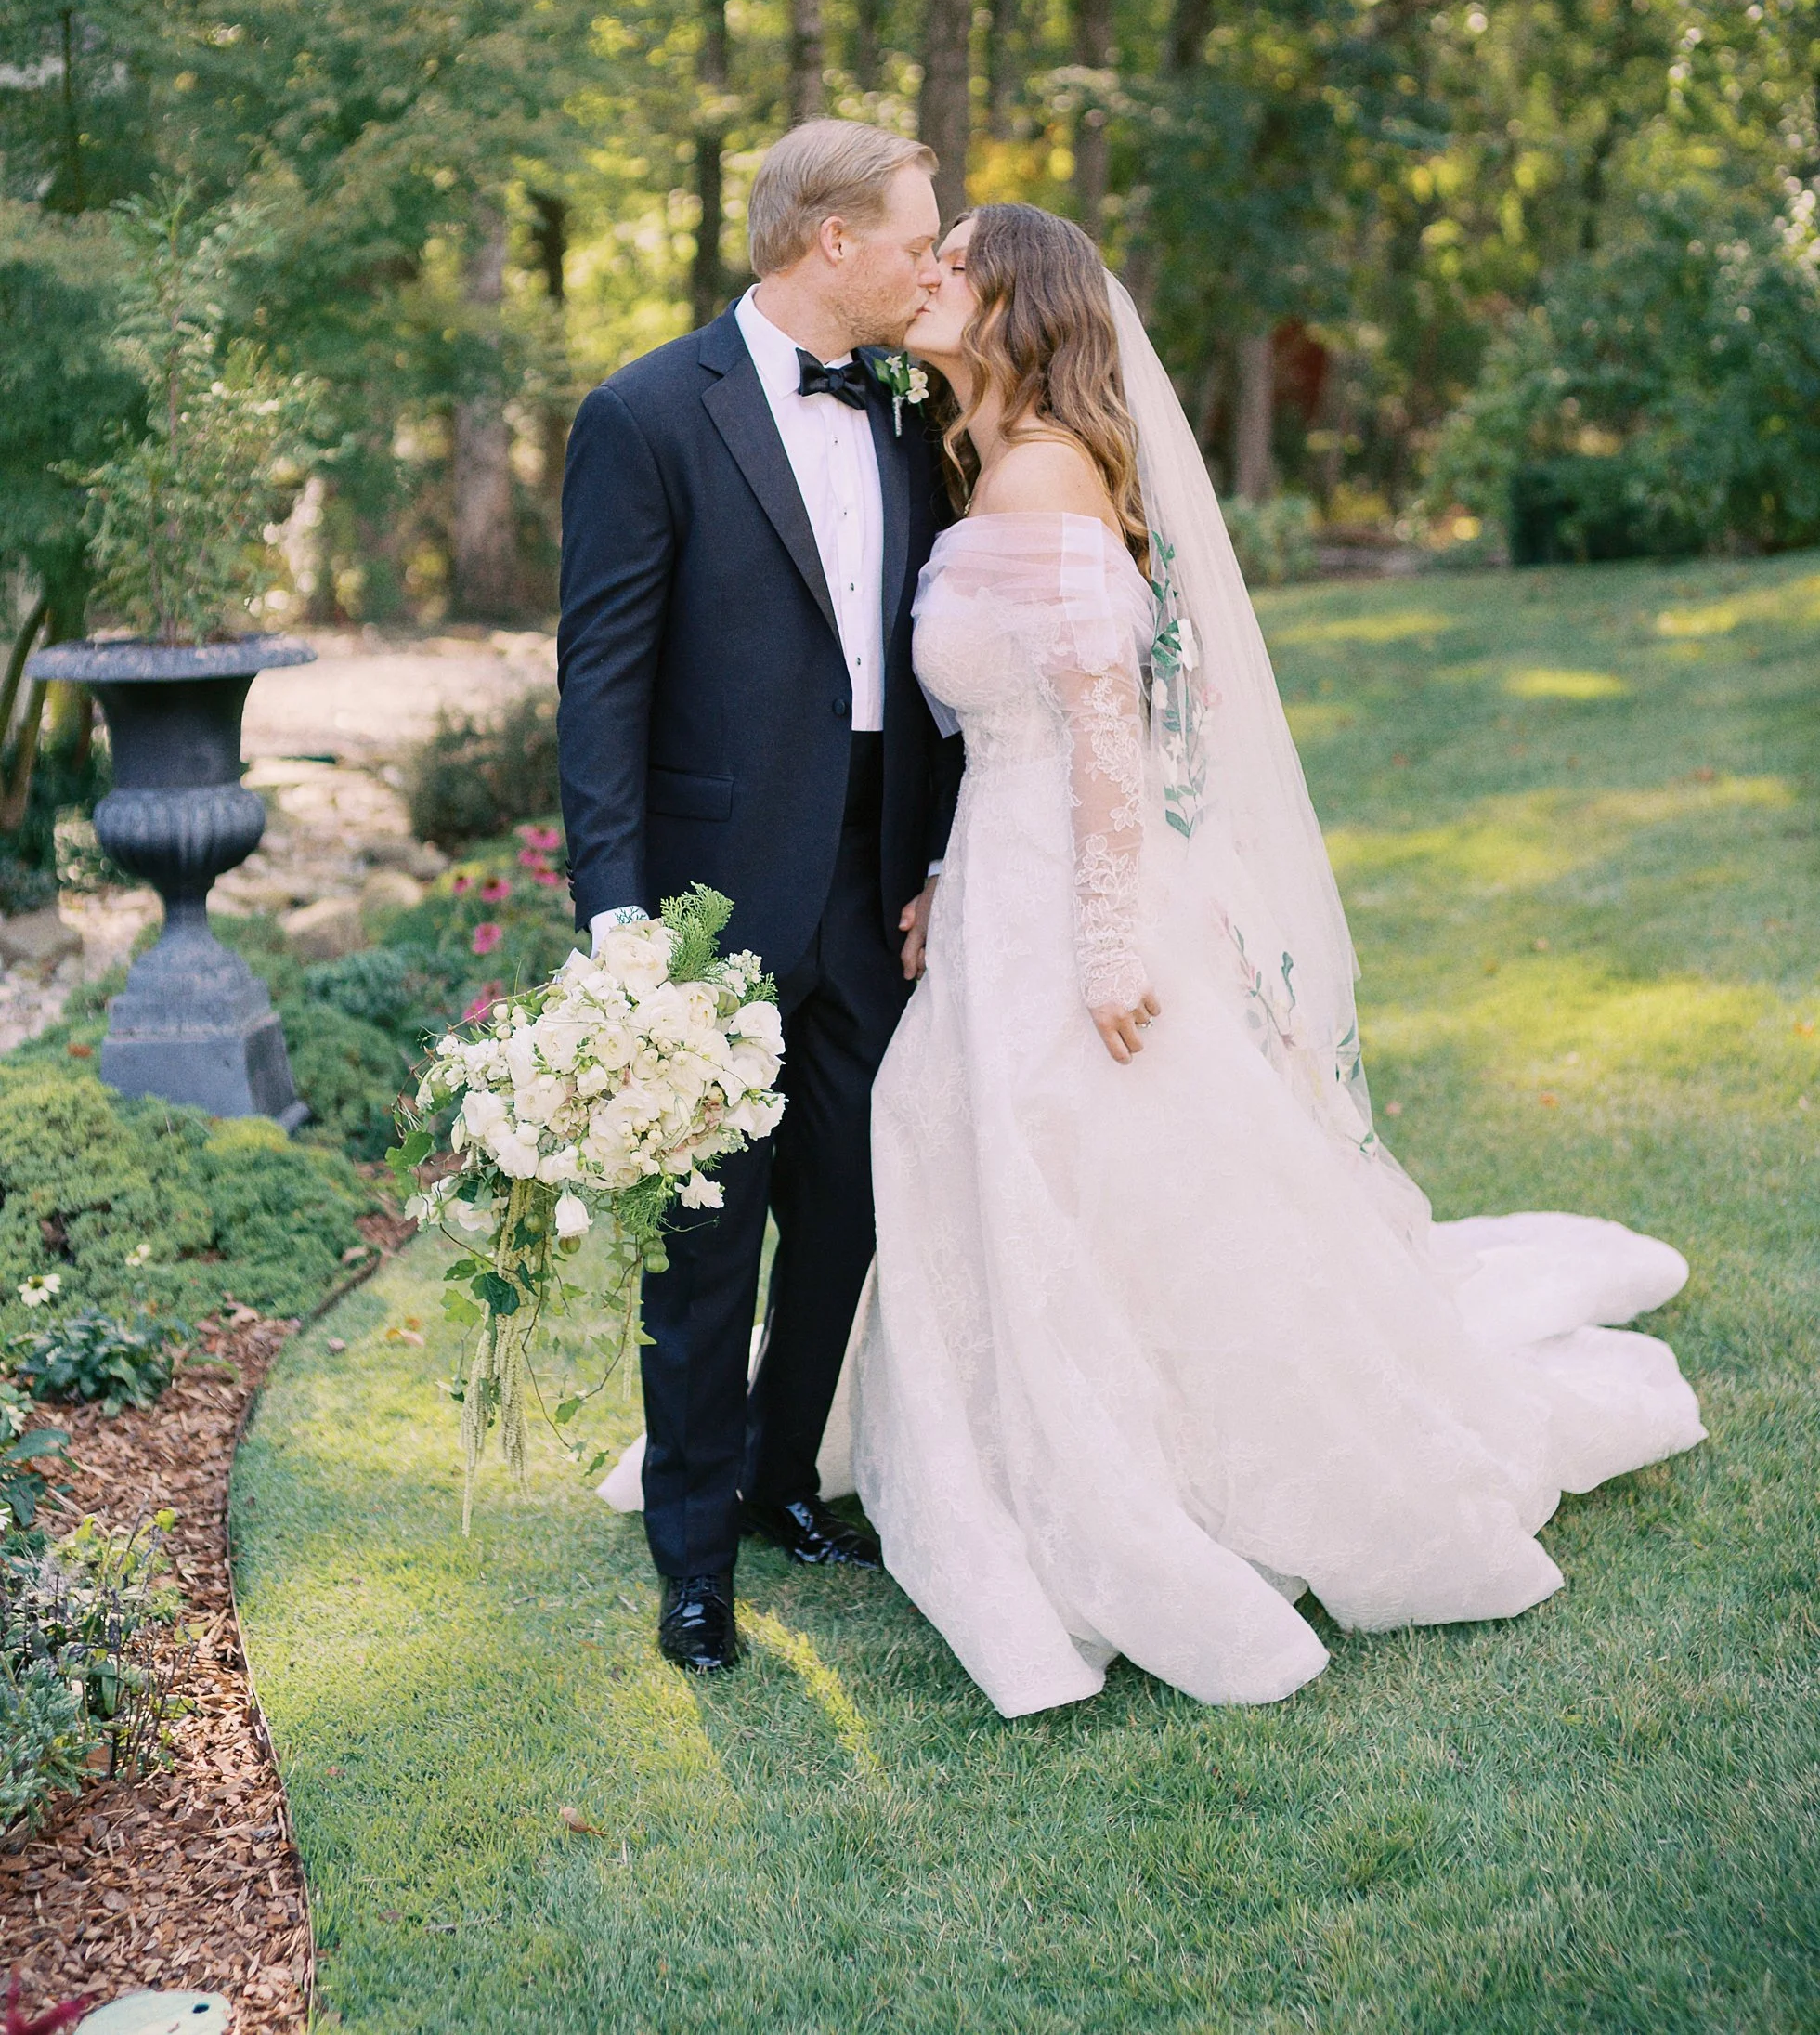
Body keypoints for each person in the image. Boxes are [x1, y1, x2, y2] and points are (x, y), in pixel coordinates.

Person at [850, 202, 1706, 1717]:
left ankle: (1141, 1473)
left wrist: (1108, 948)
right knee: (967, 1142)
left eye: (957, 255)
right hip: (998, 876)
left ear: (1017, 303)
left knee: (1080, 1167)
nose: (931, 270)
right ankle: (1024, 1447)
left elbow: (1109, 745)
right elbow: (1016, 729)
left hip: (1072, 905)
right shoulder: (988, 462)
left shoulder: (1041, 473)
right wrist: (938, 876)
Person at [558, 119, 962, 1674]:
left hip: (879, 885)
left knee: (849, 1213)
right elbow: (601, 687)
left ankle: (788, 1473)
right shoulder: (648, 413)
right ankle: (693, 1556)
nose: (933, 263)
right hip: (710, 907)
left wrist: (944, 862)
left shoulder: (911, 412)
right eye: (916, 237)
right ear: (828, 243)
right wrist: (618, 924)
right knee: (707, 1244)